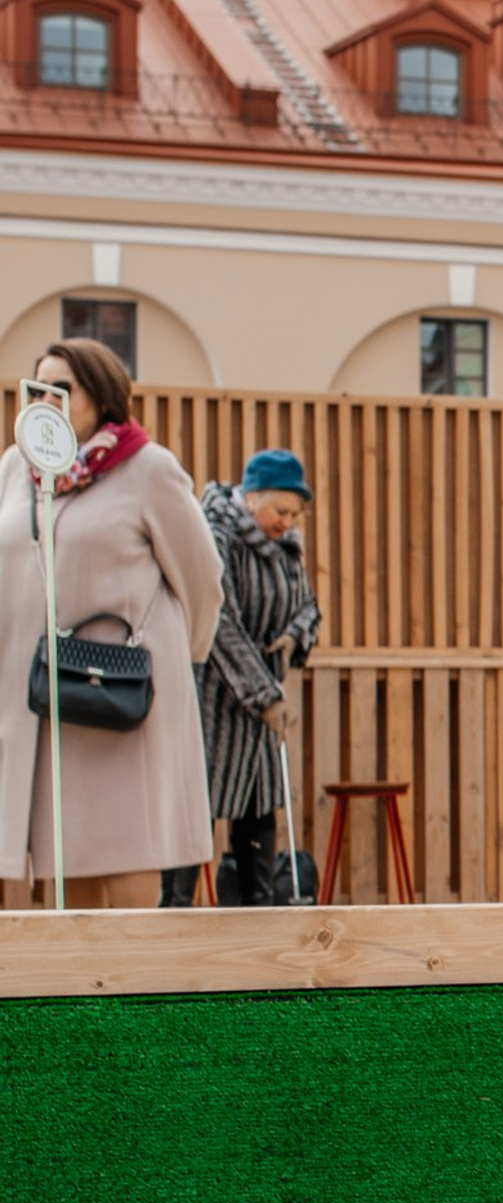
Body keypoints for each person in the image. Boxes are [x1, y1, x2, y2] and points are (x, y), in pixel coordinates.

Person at [0, 339, 221, 908]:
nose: (46, 401)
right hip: (37, 701)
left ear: (100, 396)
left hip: (117, 695)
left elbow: (201, 582)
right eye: (37, 388)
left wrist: (173, 669)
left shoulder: (148, 469)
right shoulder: (16, 469)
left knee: (123, 852)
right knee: (58, 856)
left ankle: (132, 994)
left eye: (63, 389)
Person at [178, 447, 322, 905]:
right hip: (213, 704)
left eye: (294, 515)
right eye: (280, 510)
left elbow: (308, 605)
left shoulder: (286, 548)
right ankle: (172, 926)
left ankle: (260, 934)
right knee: (192, 818)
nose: (287, 522)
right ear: (251, 496)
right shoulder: (215, 533)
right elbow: (219, 619)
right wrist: (263, 694)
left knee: (258, 821)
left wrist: (295, 636)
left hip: (260, 721)